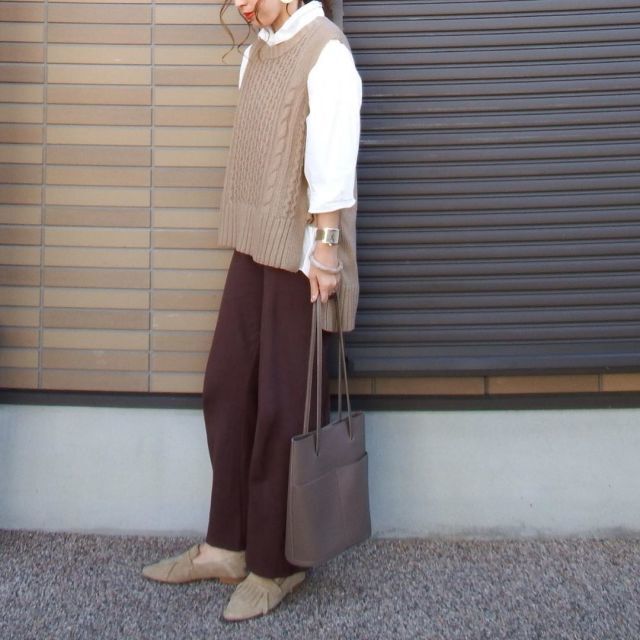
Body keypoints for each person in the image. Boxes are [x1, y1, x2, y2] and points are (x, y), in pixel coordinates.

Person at [141, 0, 362, 622]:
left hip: (302, 257)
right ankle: (226, 546)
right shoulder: (257, 55)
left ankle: (276, 564)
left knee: (282, 407)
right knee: (227, 388)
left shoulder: (326, 52)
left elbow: (333, 165)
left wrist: (326, 254)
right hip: (254, 245)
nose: (240, 4)